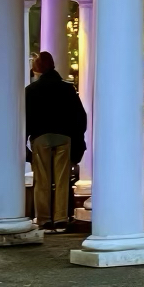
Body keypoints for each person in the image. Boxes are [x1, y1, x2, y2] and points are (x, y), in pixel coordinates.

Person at [24, 51, 86, 230]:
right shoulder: (67, 88)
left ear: (37, 70)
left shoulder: (31, 90)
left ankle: (44, 219)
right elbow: (79, 116)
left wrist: (25, 139)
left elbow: (26, 117)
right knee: (62, 180)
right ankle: (60, 218)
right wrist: (78, 138)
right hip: (64, 136)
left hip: (41, 137)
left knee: (42, 180)